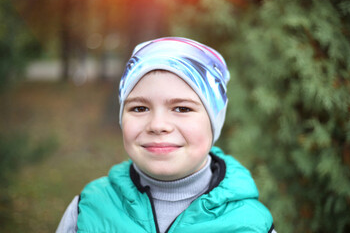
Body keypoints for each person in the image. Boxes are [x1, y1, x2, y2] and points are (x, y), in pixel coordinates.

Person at [56, 37, 276, 233]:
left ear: (214, 121)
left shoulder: (251, 225)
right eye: (140, 108)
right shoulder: (86, 211)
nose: (158, 125)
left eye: (182, 108)